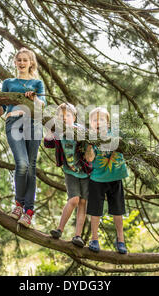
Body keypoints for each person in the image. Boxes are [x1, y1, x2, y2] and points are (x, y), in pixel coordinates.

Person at [0, 48, 46, 228]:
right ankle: (18, 205)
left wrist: (33, 98)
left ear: (31, 63)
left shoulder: (37, 83)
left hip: (33, 123)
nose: (21, 63)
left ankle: (28, 212)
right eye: (19, 60)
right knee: (22, 164)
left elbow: (41, 106)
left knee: (31, 167)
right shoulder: (8, 82)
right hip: (13, 123)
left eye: (25, 60)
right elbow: (0, 112)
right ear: (15, 62)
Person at [44, 103, 93, 247]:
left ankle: (77, 236)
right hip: (70, 172)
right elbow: (48, 143)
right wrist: (49, 129)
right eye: (60, 116)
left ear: (74, 117)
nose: (64, 119)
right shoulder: (58, 132)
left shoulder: (80, 129)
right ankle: (59, 229)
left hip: (85, 172)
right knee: (74, 200)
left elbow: (90, 142)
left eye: (67, 116)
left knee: (83, 203)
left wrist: (80, 132)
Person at [84, 107, 129, 254]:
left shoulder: (114, 134)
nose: (98, 122)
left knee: (118, 211)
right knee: (95, 210)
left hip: (115, 178)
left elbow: (126, 146)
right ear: (90, 123)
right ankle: (94, 239)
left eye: (102, 119)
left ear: (108, 123)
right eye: (95, 120)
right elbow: (89, 158)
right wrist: (90, 143)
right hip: (97, 178)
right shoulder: (89, 137)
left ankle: (121, 240)